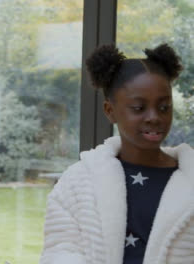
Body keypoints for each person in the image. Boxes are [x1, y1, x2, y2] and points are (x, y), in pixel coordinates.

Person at [39, 43, 194, 264]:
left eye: (164, 107)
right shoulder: (78, 183)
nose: (154, 117)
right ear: (110, 111)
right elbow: (61, 251)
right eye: (139, 108)